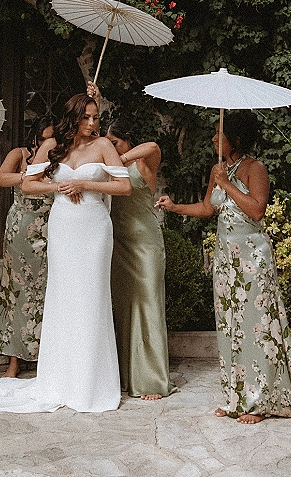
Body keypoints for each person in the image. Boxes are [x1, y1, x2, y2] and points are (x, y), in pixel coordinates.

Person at [0, 93, 131, 414]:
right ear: (73, 117)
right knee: (63, 297)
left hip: (93, 227)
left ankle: (91, 382)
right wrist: (57, 187)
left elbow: (124, 187)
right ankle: (60, 378)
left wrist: (87, 184)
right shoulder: (53, 146)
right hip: (63, 226)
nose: (93, 123)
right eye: (86, 118)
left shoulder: (103, 147)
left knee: (91, 296)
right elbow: (28, 185)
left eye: (96, 117)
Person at [156, 110, 291, 424]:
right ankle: (238, 397)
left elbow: (256, 210)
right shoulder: (218, 169)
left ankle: (262, 402)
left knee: (258, 326)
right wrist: (173, 206)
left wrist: (227, 184)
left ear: (235, 138)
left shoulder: (256, 168)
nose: (214, 138)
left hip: (253, 257)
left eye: (219, 134)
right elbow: (206, 208)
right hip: (225, 257)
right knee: (231, 327)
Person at [106, 120, 175, 400]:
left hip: (145, 244)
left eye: (115, 142)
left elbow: (154, 146)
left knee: (147, 305)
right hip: (117, 243)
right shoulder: (110, 171)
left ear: (127, 141)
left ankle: (152, 380)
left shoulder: (143, 164)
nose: (110, 148)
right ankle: (124, 375)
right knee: (123, 307)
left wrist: (120, 157)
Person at [0, 115, 55, 377]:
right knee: (16, 291)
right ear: (34, 137)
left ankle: (48, 357)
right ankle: (14, 361)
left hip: (52, 226)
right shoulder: (19, 153)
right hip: (22, 227)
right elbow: (0, 178)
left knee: (48, 292)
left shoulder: (59, 155)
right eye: (42, 139)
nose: (47, 143)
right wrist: (27, 175)